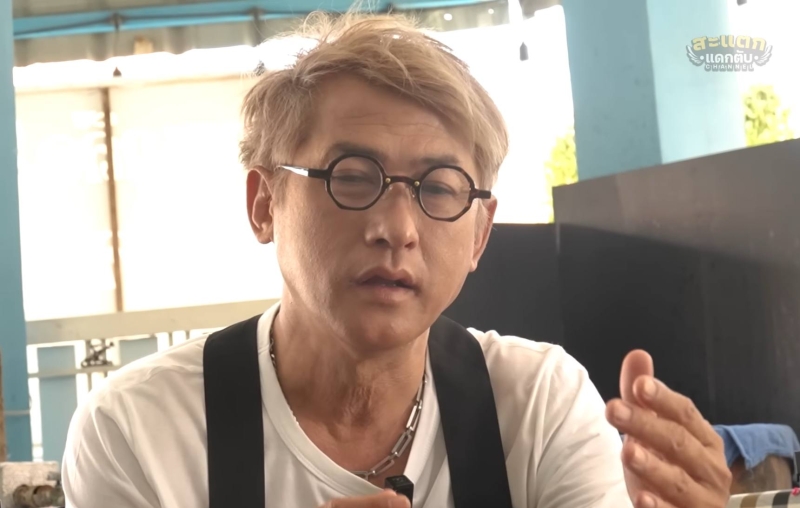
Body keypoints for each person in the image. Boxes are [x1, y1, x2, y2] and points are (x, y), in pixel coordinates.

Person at [61, 11, 731, 508]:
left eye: (439, 187)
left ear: (479, 234)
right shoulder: (144, 430)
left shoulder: (537, 406)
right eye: (353, 177)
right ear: (264, 203)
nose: (396, 229)